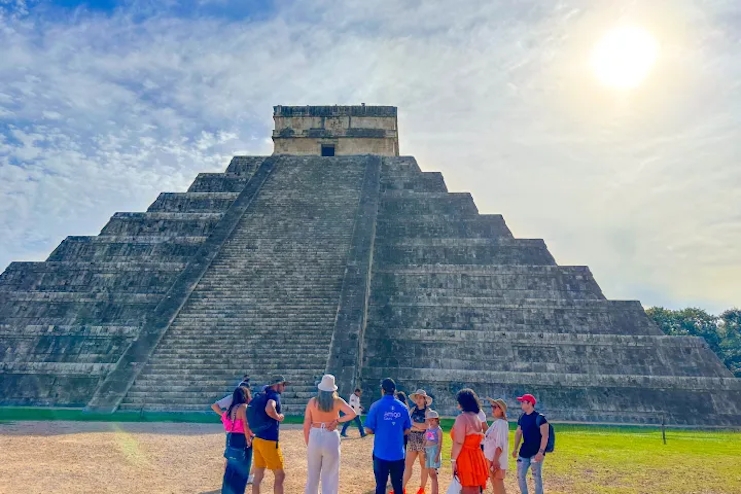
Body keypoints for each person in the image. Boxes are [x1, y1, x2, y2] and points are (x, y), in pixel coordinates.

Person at [303, 374, 356, 494]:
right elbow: (352, 413)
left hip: (315, 435)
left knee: (313, 474)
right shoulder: (337, 401)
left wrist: (308, 442)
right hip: (331, 435)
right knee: (330, 474)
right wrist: (338, 420)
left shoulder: (313, 402)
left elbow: (306, 424)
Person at [364, 378, 412, 494]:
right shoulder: (403, 407)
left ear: (382, 390)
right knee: (397, 485)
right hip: (398, 453)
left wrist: (382, 430)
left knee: (381, 485)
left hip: (381, 452)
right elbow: (408, 429)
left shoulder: (376, 406)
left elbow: (368, 429)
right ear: (394, 390)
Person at [212, 377, 254, 485]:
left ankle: (228, 479)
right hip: (240, 434)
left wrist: (226, 417)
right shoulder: (242, 405)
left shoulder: (232, 404)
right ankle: (239, 480)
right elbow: (245, 423)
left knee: (230, 456)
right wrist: (248, 438)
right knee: (241, 458)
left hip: (230, 433)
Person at [251, 376, 289, 494]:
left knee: (258, 475)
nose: (284, 387)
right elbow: (269, 408)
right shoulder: (274, 396)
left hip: (258, 438)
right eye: (283, 385)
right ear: (277, 385)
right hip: (269, 441)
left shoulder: (262, 395)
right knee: (280, 475)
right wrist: (278, 417)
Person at [450, 388, 488, 494]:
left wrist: (453, 461)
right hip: (477, 456)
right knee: (475, 488)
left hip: (465, 457)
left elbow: (459, 442)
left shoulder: (462, 418)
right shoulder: (476, 417)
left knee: (467, 487)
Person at [511, 394, 548, 494]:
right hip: (524, 452)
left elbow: (545, 436)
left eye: (523, 402)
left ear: (530, 403)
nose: (521, 404)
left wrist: (541, 452)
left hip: (536, 453)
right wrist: (515, 448)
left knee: (536, 477)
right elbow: (518, 432)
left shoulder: (540, 418)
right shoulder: (522, 417)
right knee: (520, 475)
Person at [221, 387, 254, 494]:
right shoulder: (243, 407)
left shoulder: (231, 408)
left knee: (231, 467)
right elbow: (245, 424)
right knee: (242, 469)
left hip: (231, 437)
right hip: (241, 438)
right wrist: (248, 439)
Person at [404, 389, 432, 494]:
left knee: (423, 466)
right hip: (412, 439)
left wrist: (413, 424)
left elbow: (426, 426)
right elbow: (408, 425)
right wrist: (418, 426)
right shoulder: (412, 410)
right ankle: (402, 488)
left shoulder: (428, 412)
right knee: (408, 464)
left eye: (421, 398)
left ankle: (422, 489)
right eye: (417, 397)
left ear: (425, 400)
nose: (418, 400)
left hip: (423, 441)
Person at [484, 398, 509, 494]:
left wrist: (495, 460)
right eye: (492, 407)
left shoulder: (502, 424)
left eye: (495, 407)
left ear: (501, 410)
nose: (492, 409)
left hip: (496, 459)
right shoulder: (497, 422)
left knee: (498, 484)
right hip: (491, 459)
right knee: (495, 485)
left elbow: (500, 444)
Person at [424, 410, 443, 494]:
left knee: (433, 473)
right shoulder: (428, 428)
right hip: (427, 450)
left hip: (434, 451)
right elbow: (426, 439)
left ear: (436, 420)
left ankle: (435, 492)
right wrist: (424, 450)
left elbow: (439, 443)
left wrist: (437, 455)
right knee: (430, 473)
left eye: (432, 420)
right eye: (429, 420)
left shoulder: (438, 430)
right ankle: (434, 491)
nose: (430, 422)